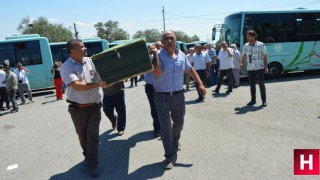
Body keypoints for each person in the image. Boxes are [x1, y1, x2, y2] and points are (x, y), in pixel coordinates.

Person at [152, 31, 206, 170]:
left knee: (179, 123)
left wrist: (200, 84)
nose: (169, 40)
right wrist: (155, 55)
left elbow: (190, 69)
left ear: (175, 40)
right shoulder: (158, 55)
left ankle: (174, 143)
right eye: (166, 38)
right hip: (161, 96)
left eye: (172, 38)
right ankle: (169, 156)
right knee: (165, 128)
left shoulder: (181, 54)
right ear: (162, 41)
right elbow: (157, 73)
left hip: (178, 95)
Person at [60, 39, 112, 178]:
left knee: (93, 136)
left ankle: (92, 164)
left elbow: (99, 76)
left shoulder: (90, 61)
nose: (85, 49)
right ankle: (88, 157)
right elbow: (77, 85)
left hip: (94, 106)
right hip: (78, 109)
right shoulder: (66, 67)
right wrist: (98, 85)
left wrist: (106, 81)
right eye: (82, 47)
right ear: (73, 51)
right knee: (83, 137)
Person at [241, 30, 268, 107]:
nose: (247, 38)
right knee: (252, 85)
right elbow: (244, 56)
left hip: (259, 67)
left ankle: (264, 100)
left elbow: (265, 57)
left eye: (249, 36)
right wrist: (242, 65)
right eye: (247, 36)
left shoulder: (261, 45)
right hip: (250, 67)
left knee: (261, 84)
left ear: (253, 36)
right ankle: (253, 100)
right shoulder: (246, 45)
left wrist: (266, 68)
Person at [144, 41, 162, 138]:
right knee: (154, 109)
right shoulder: (149, 57)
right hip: (151, 86)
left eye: (160, 46)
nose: (159, 48)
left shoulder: (164, 57)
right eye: (157, 46)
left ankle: (166, 127)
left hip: (162, 86)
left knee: (165, 108)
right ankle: (157, 128)